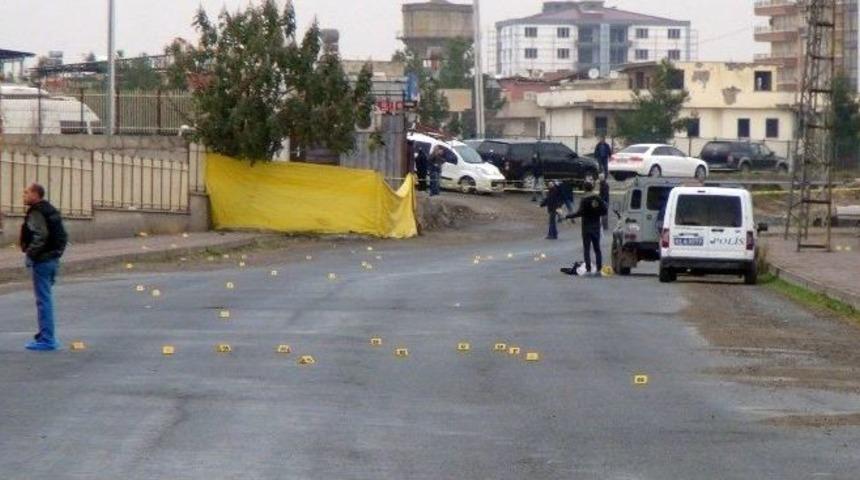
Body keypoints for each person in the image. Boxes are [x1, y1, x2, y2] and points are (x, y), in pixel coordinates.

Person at [19, 183, 67, 351]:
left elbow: (40, 235)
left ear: (35, 194)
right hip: (53, 258)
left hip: (43, 259)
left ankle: (47, 339)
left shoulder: (37, 212)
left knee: (43, 300)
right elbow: (63, 235)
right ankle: (45, 336)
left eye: (26, 192)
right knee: (45, 297)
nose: (24, 196)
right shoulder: (50, 210)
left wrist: (30, 254)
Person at [564, 181, 608, 276]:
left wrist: (568, 216)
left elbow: (579, 213)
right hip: (596, 226)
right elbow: (605, 210)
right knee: (597, 249)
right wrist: (597, 213)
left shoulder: (584, 199)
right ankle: (599, 269)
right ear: (592, 188)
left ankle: (588, 269)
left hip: (586, 227)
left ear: (584, 188)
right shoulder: (598, 198)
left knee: (587, 249)